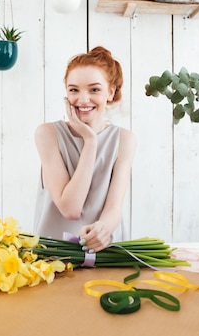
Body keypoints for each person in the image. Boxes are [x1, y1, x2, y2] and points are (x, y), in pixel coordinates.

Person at [33, 46, 137, 253]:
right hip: (54, 257)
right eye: (74, 90)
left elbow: (114, 206)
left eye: (94, 89)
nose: (83, 99)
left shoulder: (124, 140)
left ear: (111, 92)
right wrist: (90, 140)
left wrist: (103, 229)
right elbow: (70, 208)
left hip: (105, 251)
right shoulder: (47, 134)